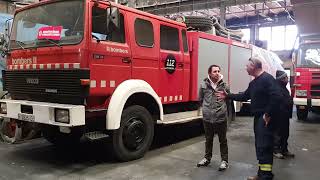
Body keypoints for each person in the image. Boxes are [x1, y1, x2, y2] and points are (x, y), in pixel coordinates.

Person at [216, 57, 281, 180]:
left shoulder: (267, 79)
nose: (245, 68)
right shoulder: (254, 83)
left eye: (247, 66)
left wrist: (268, 114)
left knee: (264, 146)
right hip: (258, 118)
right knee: (260, 146)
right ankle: (262, 174)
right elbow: (244, 96)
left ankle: (266, 176)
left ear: (253, 66)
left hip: (265, 118)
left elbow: (277, 97)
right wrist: (228, 96)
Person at [197, 64, 230, 171]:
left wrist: (223, 111)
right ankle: (207, 158)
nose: (217, 73)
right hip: (207, 118)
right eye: (215, 71)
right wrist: (206, 110)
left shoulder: (224, 85)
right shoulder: (203, 84)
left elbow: (228, 99)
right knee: (208, 139)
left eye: (218, 71)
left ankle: (224, 161)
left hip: (221, 118)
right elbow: (200, 99)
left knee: (222, 140)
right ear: (210, 73)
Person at [273, 70, 295, 159]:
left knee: (285, 133)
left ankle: (284, 149)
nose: (287, 79)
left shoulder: (284, 88)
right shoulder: (277, 88)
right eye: (286, 78)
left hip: (285, 115)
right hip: (279, 115)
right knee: (278, 133)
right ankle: (276, 150)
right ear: (282, 79)